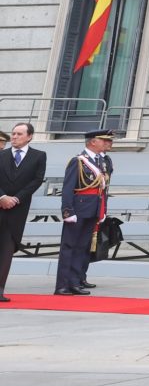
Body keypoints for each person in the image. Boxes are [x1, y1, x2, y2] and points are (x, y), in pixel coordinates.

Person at [55, 129, 113, 296]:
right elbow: (67, 189)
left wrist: (102, 210)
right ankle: (62, 285)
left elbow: (103, 189)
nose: (107, 143)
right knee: (69, 247)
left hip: (94, 208)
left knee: (82, 247)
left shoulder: (101, 161)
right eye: (103, 140)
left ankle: (75, 283)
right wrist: (67, 211)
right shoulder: (78, 161)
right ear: (92, 141)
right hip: (78, 209)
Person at [0, 122, 47, 303]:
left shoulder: (38, 156)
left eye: (19, 134)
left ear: (29, 136)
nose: (14, 137)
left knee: (7, 249)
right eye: (13, 134)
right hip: (0, 203)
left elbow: (36, 180)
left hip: (17, 210)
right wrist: (2, 197)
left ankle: (0, 289)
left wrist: (16, 199)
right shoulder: (2, 155)